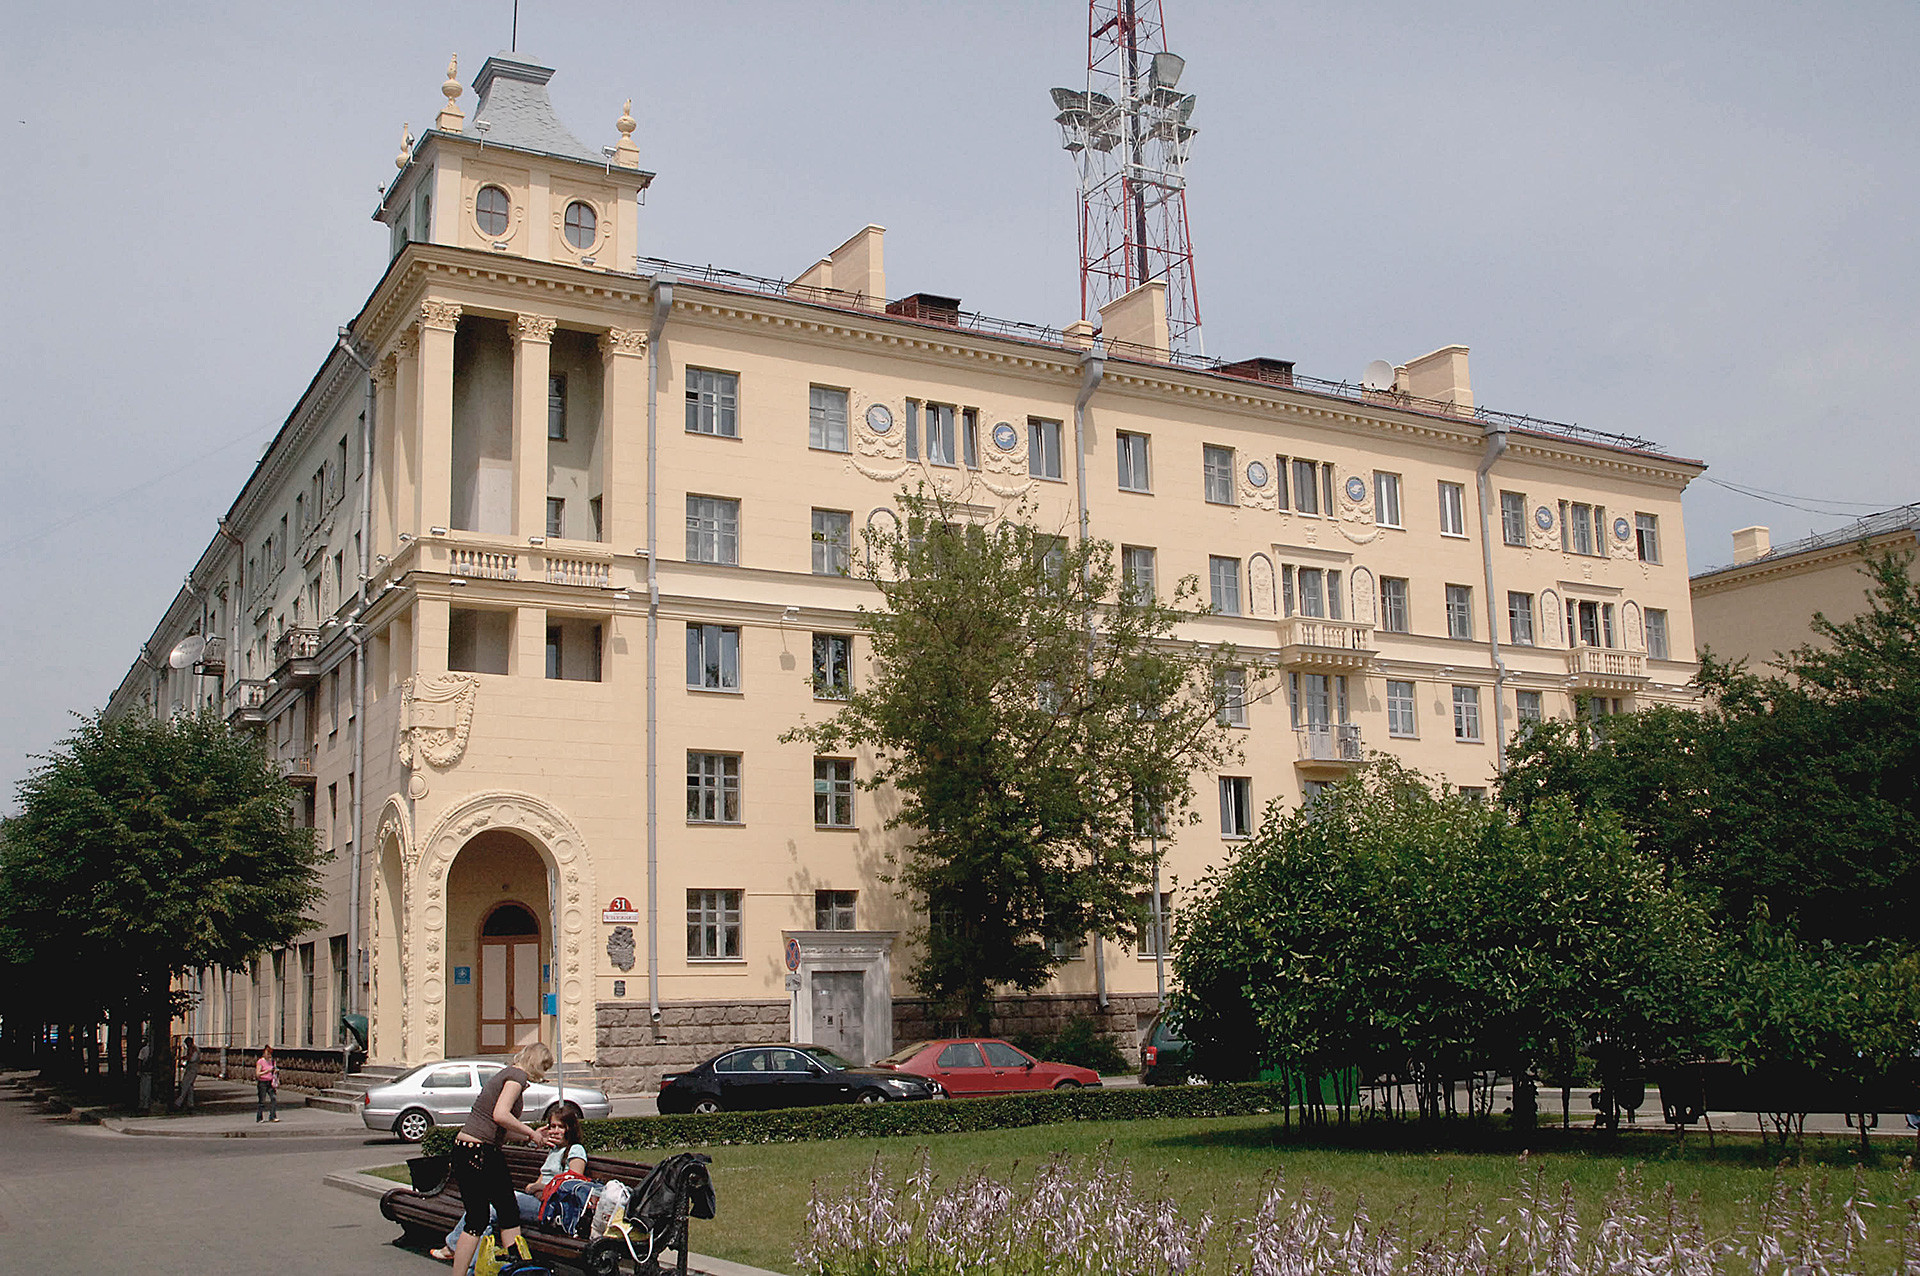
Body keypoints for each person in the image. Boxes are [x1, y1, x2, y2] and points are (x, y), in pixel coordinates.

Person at [445, 1042, 561, 1275]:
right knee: (481, 1219)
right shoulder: (516, 1076)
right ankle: (513, 1268)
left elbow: (498, 1127)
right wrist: (530, 1132)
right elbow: (501, 1114)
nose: (544, 1074)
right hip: (479, 1152)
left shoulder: (507, 1074)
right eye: (544, 1067)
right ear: (536, 1063)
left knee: (506, 1212)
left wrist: (531, 1138)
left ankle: (515, 1267)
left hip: (471, 1149)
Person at [432, 1101, 588, 1264]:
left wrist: (538, 1187)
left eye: (560, 1127)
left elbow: (572, 1186)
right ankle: (473, 1261)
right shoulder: (554, 1151)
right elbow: (536, 1183)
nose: (554, 1131)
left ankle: (457, 1251)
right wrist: (535, 1187)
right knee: (486, 1210)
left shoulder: (575, 1149)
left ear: (570, 1128)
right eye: (552, 1126)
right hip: (538, 1201)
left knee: (489, 1210)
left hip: (552, 1209)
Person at [172, 1036, 201, 1112]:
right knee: (190, 1087)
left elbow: (191, 1059)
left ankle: (178, 1103)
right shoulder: (191, 1049)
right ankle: (190, 1104)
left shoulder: (194, 1049)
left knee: (185, 1085)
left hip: (192, 1069)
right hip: (190, 1068)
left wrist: (181, 1058)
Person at [255, 1045, 279, 1122]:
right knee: (262, 1100)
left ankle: (272, 1116)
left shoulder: (272, 1061)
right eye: (267, 1053)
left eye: (270, 1054)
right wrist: (267, 1071)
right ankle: (259, 1117)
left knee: (273, 1098)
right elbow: (258, 1074)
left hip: (270, 1082)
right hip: (262, 1082)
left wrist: (275, 1071)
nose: (269, 1055)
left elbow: (274, 1070)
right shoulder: (260, 1061)